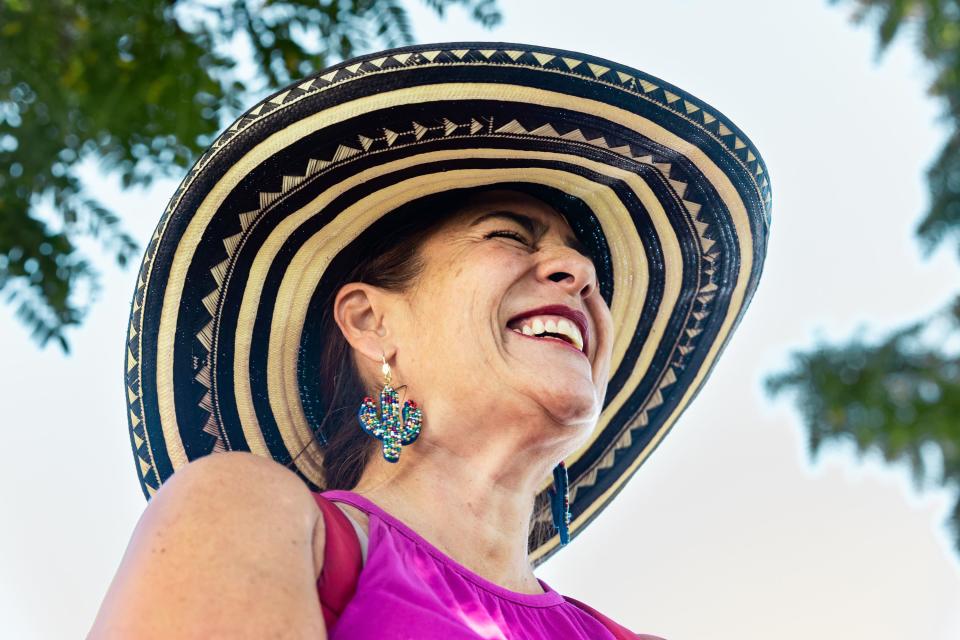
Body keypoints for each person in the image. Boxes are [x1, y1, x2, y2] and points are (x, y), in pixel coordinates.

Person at [90, 42, 770, 638]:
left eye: (581, 261)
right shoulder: (250, 513)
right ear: (370, 323)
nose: (582, 273)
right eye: (508, 234)